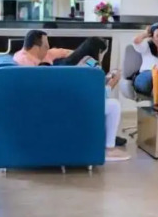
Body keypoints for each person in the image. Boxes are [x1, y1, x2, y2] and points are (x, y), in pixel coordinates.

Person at [12, 33, 129, 161]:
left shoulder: (43, 55)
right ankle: (108, 148)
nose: (48, 48)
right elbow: (39, 91)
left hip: (61, 91)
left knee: (89, 65)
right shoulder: (25, 63)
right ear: (36, 47)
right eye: (46, 46)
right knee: (112, 104)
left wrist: (80, 59)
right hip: (57, 101)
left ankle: (103, 87)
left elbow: (65, 53)